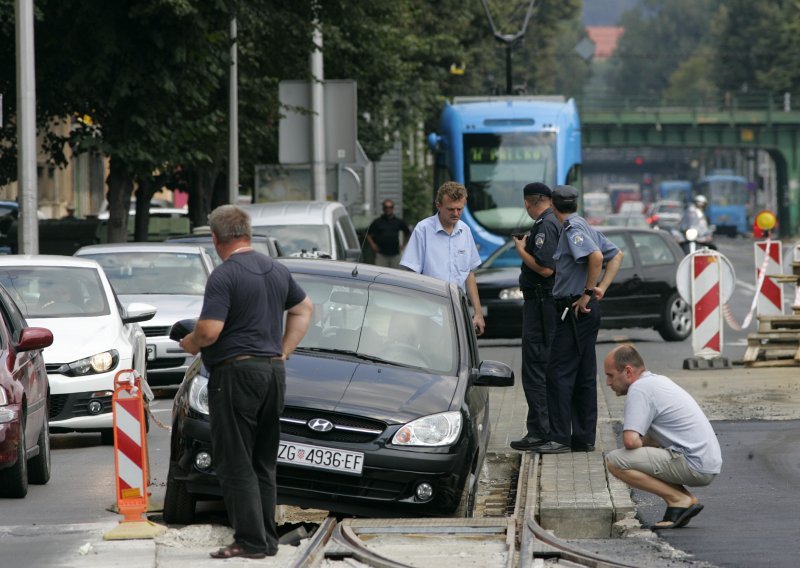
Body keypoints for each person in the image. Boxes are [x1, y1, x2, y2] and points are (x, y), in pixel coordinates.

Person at [179, 204, 313, 560]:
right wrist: (284, 350)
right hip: (273, 373)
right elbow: (304, 308)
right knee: (263, 461)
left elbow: (209, 330)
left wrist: (189, 343)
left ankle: (251, 542)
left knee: (235, 459)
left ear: (215, 239)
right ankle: (266, 539)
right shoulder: (276, 270)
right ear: (247, 234)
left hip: (236, 374)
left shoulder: (224, 276)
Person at [535, 185, 624, 454]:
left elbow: (597, 257)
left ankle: (560, 437)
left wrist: (588, 293)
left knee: (558, 372)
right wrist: (602, 289)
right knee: (584, 374)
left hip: (575, 309)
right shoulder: (583, 224)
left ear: (552, 204)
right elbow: (616, 255)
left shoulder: (573, 229)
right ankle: (583, 438)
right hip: (584, 310)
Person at [604, 344, 722, 530]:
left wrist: (638, 446)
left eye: (610, 375)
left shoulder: (639, 389)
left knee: (615, 461)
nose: (608, 383)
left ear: (628, 371)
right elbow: (654, 439)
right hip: (707, 462)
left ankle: (679, 499)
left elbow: (630, 441)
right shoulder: (658, 381)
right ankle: (683, 500)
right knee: (639, 456)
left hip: (694, 464)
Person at [509, 182, 560, 451]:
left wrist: (521, 250)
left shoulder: (544, 225)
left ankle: (540, 431)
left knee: (535, 368)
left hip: (541, 305)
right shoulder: (553, 221)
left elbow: (545, 269)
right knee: (542, 367)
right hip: (545, 304)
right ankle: (543, 428)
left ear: (527, 202)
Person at [400, 181, 485, 335]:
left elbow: (469, 274)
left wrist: (478, 313)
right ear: (438, 205)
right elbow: (411, 274)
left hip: (458, 313)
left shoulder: (465, 231)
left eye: (460, 209)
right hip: (428, 315)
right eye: (451, 209)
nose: (456, 214)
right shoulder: (423, 230)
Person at [366, 199, 411, 268]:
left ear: (393, 208)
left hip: (395, 254)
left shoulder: (398, 221)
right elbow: (368, 234)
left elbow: (407, 233)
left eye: (390, 207)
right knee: (380, 274)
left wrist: (403, 245)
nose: (388, 209)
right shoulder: (378, 222)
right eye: (386, 207)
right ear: (383, 208)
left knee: (395, 275)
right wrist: (373, 245)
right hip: (381, 254)